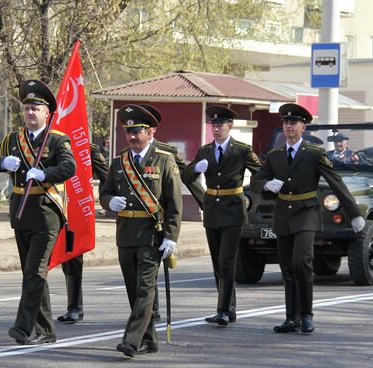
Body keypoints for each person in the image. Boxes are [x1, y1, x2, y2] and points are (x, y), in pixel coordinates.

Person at [250, 103, 365, 335]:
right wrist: (266, 184)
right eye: (285, 123)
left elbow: (336, 182)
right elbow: (256, 181)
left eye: (293, 123)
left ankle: (307, 315)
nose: (288, 126)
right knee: (287, 267)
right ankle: (291, 317)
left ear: (303, 127)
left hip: (306, 213)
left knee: (302, 262)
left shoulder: (314, 153)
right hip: (283, 215)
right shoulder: (275, 155)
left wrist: (354, 214)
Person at [0, 79, 76, 345]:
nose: (30, 113)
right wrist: (2, 162)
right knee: (33, 273)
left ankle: (23, 327)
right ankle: (46, 330)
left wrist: (45, 173)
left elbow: (70, 168)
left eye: (35, 108)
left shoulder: (57, 140)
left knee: (35, 272)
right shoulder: (13, 140)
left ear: (47, 113)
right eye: (26, 109)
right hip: (20, 213)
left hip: (46, 214)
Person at [99, 104, 182, 357]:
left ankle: (132, 340)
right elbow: (105, 191)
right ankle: (150, 340)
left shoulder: (164, 160)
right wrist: (108, 201)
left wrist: (171, 236)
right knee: (134, 291)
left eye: (138, 131)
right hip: (125, 234)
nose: (132, 137)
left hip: (150, 236)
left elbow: (174, 202)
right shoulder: (119, 161)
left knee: (145, 289)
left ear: (151, 131)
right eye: (128, 132)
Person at [183, 106, 261, 326]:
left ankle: (223, 310)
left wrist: (253, 194)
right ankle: (230, 308)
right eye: (213, 125)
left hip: (234, 210)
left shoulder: (242, 150)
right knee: (218, 263)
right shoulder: (205, 151)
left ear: (230, 126)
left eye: (220, 125)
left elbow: (260, 174)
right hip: (213, 212)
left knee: (227, 261)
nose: (216, 129)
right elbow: (186, 176)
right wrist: (196, 168)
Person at [141, 103, 204, 322]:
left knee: (151, 265)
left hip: (160, 216)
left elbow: (184, 176)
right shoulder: (127, 153)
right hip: (135, 221)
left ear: (152, 130)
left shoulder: (166, 152)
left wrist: (205, 202)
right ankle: (149, 308)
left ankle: (153, 309)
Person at [57, 142, 108, 324]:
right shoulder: (49, 141)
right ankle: (37, 310)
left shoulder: (88, 148)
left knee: (73, 258)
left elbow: (107, 177)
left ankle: (75, 307)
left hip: (76, 210)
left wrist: (107, 201)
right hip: (50, 208)